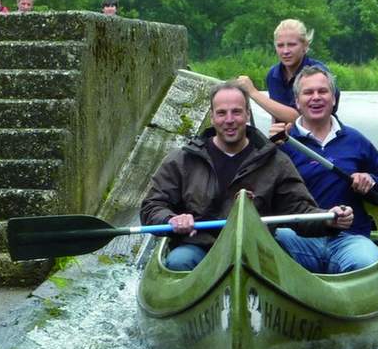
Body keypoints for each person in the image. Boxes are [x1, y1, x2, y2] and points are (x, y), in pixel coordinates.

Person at [140, 81, 353, 271]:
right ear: (212, 117)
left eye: (237, 112)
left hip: (256, 251)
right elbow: (152, 206)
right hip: (198, 247)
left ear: (247, 115)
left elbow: (301, 211)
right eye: (222, 113)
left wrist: (328, 219)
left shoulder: (276, 161)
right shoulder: (182, 160)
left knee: (279, 264)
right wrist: (172, 219)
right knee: (178, 262)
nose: (229, 120)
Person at [269, 65, 378, 274]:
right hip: (298, 238)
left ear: (333, 99)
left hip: (350, 239)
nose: (316, 97)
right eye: (308, 92)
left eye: (323, 91)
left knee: (366, 262)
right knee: (259, 245)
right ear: (297, 102)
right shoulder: (281, 144)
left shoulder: (356, 141)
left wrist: (370, 181)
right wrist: (267, 146)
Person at [237, 19, 339, 123]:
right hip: (286, 136)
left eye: (291, 45)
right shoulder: (273, 75)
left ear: (305, 46)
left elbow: (300, 119)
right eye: (280, 45)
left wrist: (253, 92)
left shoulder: (319, 74)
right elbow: (276, 112)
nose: (285, 51)